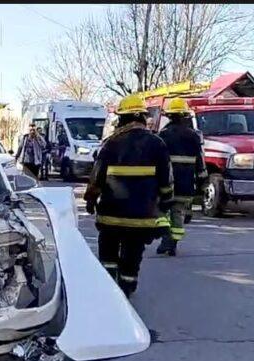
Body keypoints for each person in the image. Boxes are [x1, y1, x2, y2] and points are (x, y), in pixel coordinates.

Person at [83, 94, 173, 298]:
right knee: (133, 254)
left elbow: (96, 177)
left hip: (111, 215)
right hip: (141, 217)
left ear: (122, 119)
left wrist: (90, 199)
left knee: (108, 253)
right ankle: (127, 287)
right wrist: (166, 201)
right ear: (141, 116)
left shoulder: (110, 143)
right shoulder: (157, 143)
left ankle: (108, 289)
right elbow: (166, 178)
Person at [156, 98, 207, 256]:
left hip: (166, 182)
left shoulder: (162, 135)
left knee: (162, 211)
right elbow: (200, 162)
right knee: (177, 212)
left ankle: (165, 240)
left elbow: (156, 161)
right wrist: (201, 184)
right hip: (185, 182)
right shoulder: (193, 136)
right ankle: (173, 244)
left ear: (169, 116)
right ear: (185, 115)